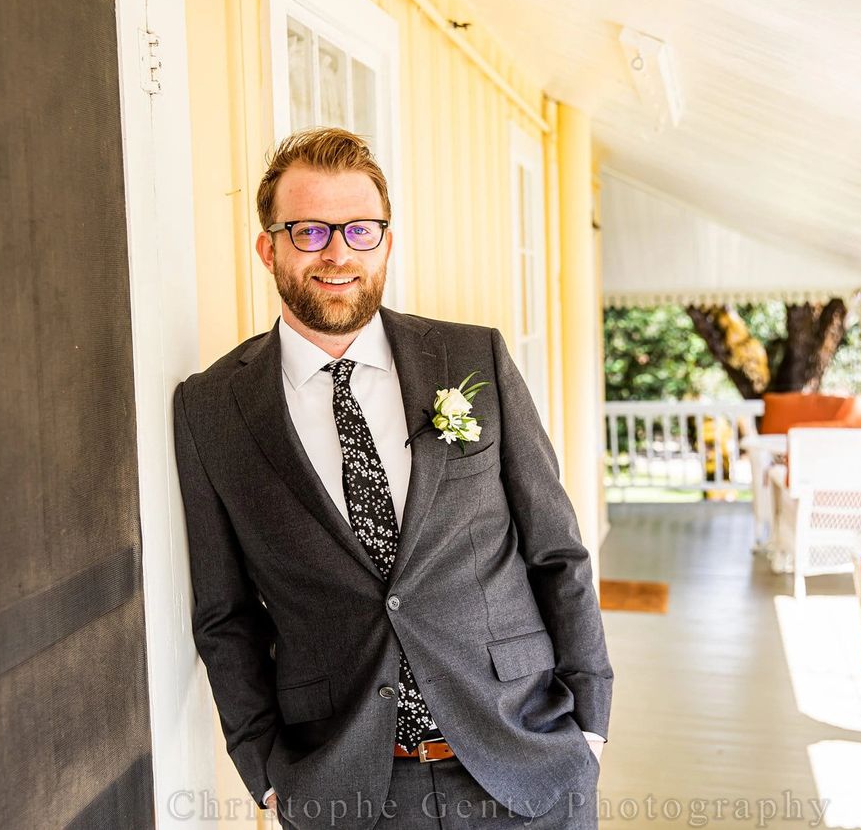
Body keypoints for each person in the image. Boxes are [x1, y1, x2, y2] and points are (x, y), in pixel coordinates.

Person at [172, 127, 612, 830]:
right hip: (349, 789)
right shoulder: (211, 409)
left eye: (360, 230)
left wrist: (590, 720)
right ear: (270, 247)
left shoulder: (473, 357)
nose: (338, 252)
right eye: (310, 231)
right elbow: (225, 615)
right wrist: (264, 770)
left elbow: (555, 550)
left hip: (526, 763)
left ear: (387, 240)